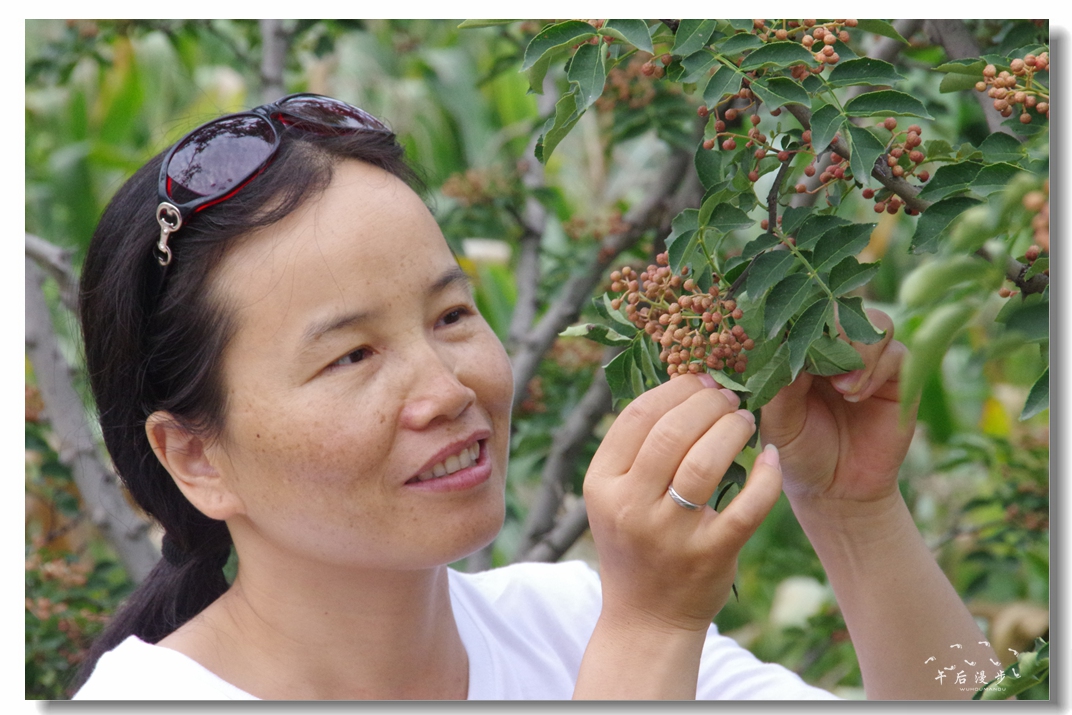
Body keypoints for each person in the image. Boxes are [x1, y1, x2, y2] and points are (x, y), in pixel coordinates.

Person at [70, 93, 996, 700]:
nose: (445, 389)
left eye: (451, 314)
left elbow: (961, 687)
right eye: (351, 356)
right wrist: (649, 635)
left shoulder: (562, 618)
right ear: (196, 455)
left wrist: (853, 512)